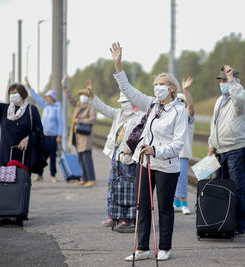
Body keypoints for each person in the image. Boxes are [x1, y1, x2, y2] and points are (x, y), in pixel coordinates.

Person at [110, 42, 187, 261]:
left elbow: (178, 143)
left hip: (167, 166)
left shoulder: (179, 111)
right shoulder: (152, 104)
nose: (157, 87)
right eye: (155, 84)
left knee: (164, 208)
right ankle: (142, 248)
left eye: (161, 84)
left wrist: (156, 150)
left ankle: (164, 247)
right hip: (145, 163)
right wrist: (118, 64)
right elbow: (129, 91)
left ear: (171, 88)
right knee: (142, 205)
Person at [87, 79, 144, 230]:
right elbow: (104, 108)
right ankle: (114, 215)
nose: (123, 104)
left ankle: (128, 218)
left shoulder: (141, 115)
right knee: (113, 185)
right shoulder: (120, 113)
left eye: (125, 101)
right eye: (122, 101)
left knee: (128, 187)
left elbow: (142, 136)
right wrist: (93, 96)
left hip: (130, 158)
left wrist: (132, 150)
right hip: (116, 156)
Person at [207, 65, 245, 235]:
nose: (222, 83)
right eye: (221, 80)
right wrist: (211, 144)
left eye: (225, 80)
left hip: (236, 148)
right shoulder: (220, 100)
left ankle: (239, 225)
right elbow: (215, 123)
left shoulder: (242, 96)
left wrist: (232, 81)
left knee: (238, 187)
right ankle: (224, 220)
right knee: (221, 187)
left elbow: (238, 103)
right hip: (221, 150)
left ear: (235, 81)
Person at [0, 73, 45, 174]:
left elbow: (39, 130)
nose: (12, 95)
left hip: (24, 158)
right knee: (6, 187)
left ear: (22, 94)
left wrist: (28, 138)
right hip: (6, 157)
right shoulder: (4, 109)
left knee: (21, 186)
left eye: (15, 93)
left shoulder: (31, 110)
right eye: (11, 93)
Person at [24, 77, 63, 183]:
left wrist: (59, 135)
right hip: (43, 135)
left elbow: (60, 122)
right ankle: (39, 174)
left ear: (53, 98)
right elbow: (36, 97)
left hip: (53, 136)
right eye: (46, 97)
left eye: (48, 97)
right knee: (41, 156)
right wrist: (28, 86)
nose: (46, 98)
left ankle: (53, 175)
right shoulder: (45, 105)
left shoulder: (57, 107)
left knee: (52, 156)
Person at [62, 75, 98, 187]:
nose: (82, 97)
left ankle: (91, 179)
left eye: (84, 95)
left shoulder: (91, 107)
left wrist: (80, 120)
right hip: (77, 136)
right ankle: (84, 178)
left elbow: (93, 120)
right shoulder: (78, 105)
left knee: (87, 158)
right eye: (81, 95)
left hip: (85, 136)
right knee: (80, 158)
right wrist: (64, 86)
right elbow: (70, 98)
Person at [173, 76, 195, 215]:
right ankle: (176, 202)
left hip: (183, 152)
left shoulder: (188, 117)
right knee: (172, 177)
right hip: (172, 152)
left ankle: (185, 203)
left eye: (183, 101)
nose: (180, 103)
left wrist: (185, 91)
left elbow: (191, 107)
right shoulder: (172, 116)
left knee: (182, 178)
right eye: (178, 100)